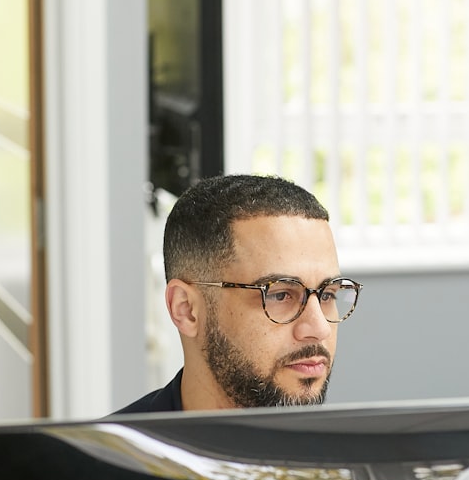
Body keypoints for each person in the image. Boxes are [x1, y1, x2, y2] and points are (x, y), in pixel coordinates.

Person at [115, 174, 362, 413]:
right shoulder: (103, 453)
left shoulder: (362, 454)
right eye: (280, 295)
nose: (320, 329)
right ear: (187, 309)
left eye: (327, 295)